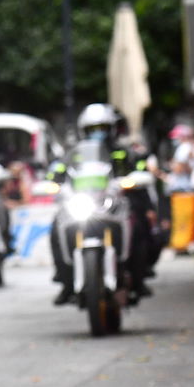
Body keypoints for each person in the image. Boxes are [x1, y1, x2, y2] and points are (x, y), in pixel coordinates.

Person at [50, 102, 158, 305]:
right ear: (84, 131)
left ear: (112, 129)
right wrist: (54, 183)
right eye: (93, 129)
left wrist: (134, 179)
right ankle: (65, 279)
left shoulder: (124, 152)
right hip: (84, 202)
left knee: (140, 226)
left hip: (116, 201)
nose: (98, 133)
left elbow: (140, 170)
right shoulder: (74, 153)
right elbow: (56, 172)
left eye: (102, 128)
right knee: (56, 228)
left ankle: (139, 276)